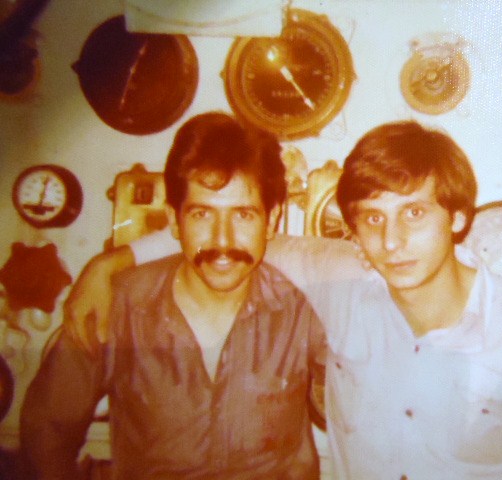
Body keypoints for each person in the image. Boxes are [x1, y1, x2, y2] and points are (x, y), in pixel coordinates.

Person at [62, 120, 502, 480]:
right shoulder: (339, 280)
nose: (392, 241)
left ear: (459, 217)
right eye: (372, 219)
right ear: (355, 232)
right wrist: (114, 260)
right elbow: (232, 233)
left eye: (414, 213)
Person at [19, 112, 327, 480]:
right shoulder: (117, 307)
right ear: (174, 221)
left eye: (243, 215)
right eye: (202, 214)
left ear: (272, 220)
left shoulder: (305, 311)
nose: (223, 240)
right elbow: (47, 435)